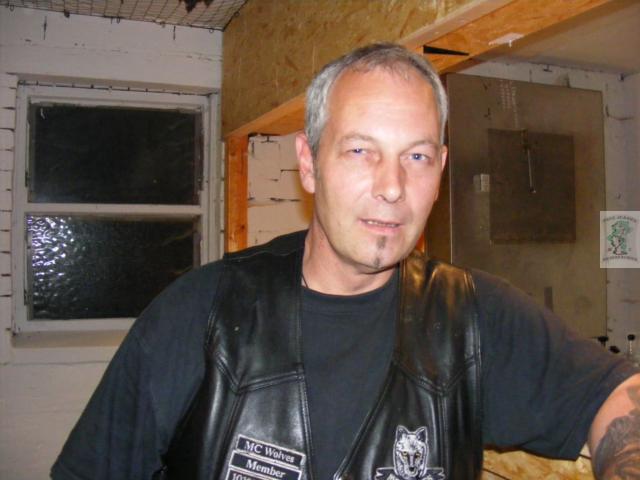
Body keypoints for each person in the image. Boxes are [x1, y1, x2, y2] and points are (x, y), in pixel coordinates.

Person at [51, 43, 640, 480]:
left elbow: (619, 396)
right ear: (309, 163)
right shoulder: (200, 313)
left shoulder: (472, 317)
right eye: (361, 150)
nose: (392, 186)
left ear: (440, 170)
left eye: (416, 157)